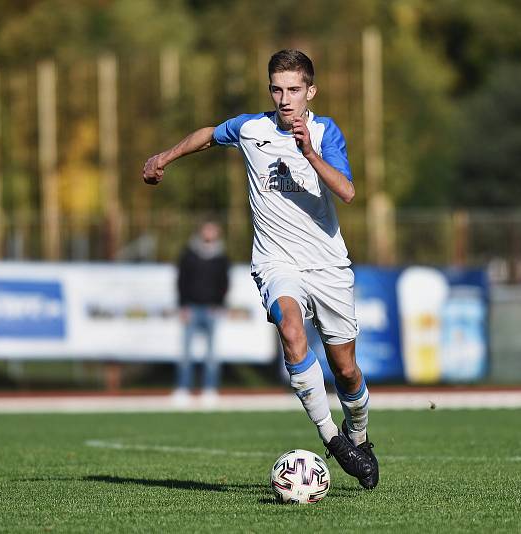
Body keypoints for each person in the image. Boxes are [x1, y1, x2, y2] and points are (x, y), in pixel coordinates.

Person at [142, 49, 378, 489]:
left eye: (293, 90)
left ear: (311, 92)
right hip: (276, 261)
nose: (285, 99)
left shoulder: (326, 133)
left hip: (328, 265)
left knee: (345, 369)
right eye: (277, 89)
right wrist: (164, 157)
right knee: (290, 329)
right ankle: (332, 439)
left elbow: (346, 191)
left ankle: (359, 434)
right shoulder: (252, 128)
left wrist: (309, 152)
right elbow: (210, 134)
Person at [175, 220, 230, 402]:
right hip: (191, 307)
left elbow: (224, 283)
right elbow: (181, 281)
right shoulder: (189, 254)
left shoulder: (221, 257)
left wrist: (219, 304)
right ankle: (183, 389)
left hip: (211, 310)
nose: (209, 233)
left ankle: (210, 390)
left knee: (212, 354)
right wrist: (183, 305)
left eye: (213, 229)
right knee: (185, 353)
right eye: (207, 229)